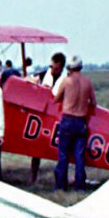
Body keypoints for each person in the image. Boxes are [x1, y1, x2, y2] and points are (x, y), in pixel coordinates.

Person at [52, 55, 96, 191]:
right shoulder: (87, 82)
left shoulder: (66, 81)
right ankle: (80, 186)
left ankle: (61, 186)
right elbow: (93, 103)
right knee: (79, 156)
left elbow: (56, 99)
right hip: (81, 121)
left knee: (63, 154)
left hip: (67, 120)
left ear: (69, 68)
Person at [29, 52, 66, 185]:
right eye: (52, 67)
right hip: (41, 115)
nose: (53, 70)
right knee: (36, 148)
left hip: (56, 117)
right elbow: (30, 80)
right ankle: (33, 176)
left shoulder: (65, 79)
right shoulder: (44, 74)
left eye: (56, 68)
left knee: (59, 148)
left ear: (61, 68)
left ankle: (60, 177)